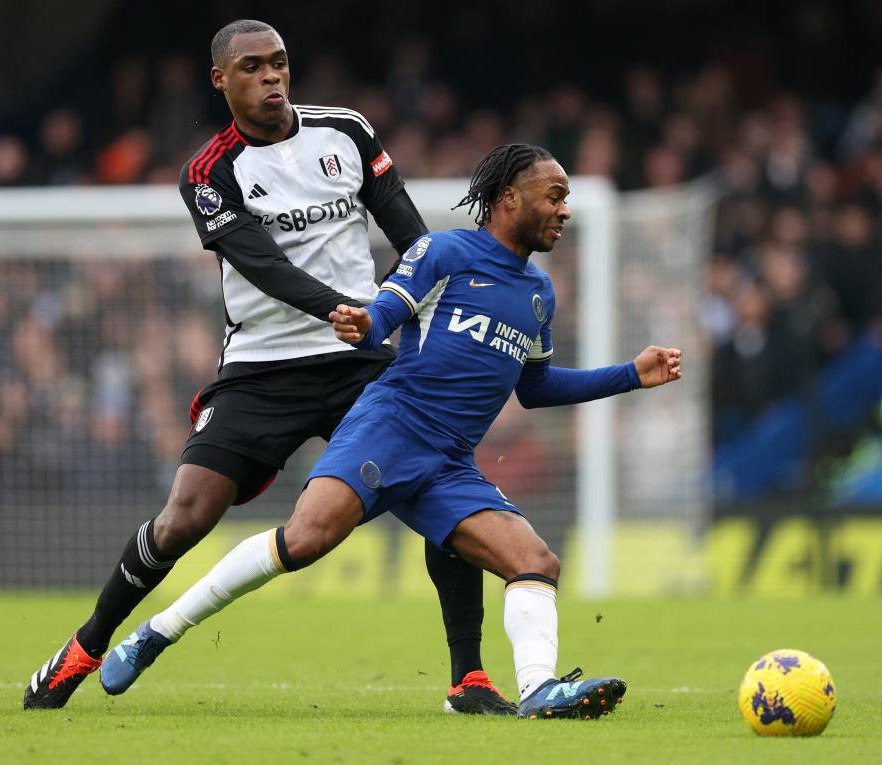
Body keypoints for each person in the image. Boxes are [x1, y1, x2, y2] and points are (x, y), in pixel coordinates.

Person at [23, 19, 513, 716]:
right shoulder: (209, 172)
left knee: (441, 487)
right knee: (186, 516)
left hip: (360, 361)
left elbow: (412, 236)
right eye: (253, 67)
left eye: (280, 63)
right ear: (220, 79)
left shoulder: (344, 131)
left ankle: (468, 677)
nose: (272, 77)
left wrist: (405, 312)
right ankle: (86, 645)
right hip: (262, 366)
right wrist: (349, 306)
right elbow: (265, 266)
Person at [99, 144, 683, 720]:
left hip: (450, 461)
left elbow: (534, 388)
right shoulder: (443, 251)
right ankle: (156, 632)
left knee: (537, 561)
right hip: (391, 427)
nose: (565, 210)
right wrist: (362, 322)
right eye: (555, 196)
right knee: (304, 541)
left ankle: (539, 689)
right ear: (510, 198)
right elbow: (384, 315)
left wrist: (630, 375)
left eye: (567, 200)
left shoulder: (538, 293)